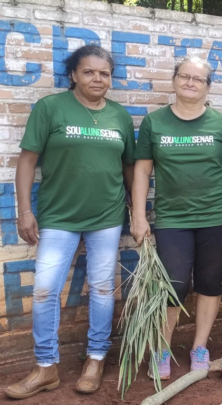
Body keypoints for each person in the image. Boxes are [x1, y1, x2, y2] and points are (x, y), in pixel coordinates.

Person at [5, 45, 135, 399]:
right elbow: (28, 161)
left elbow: (129, 167)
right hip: (58, 216)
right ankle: (46, 367)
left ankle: (95, 359)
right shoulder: (50, 108)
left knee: (103, 287)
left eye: (104, 73)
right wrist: (24, 211)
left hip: (106, 216)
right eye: (89, 72)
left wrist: (137, 210)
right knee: (45, 290)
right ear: (74, 75)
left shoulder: (120, 116)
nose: (98, 78)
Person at [131, 55, 222, 379]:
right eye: (184, 77)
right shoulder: (155, 123)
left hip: (217, 216)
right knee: (174, 285)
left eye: (198, 79)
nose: (190, 83)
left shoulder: (221, 124)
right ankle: (162, 349)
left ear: (207, 87)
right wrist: (139, 216)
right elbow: (142, 170)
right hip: (172, 219)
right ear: (174, 80)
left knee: (210, 282)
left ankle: (200, 347)